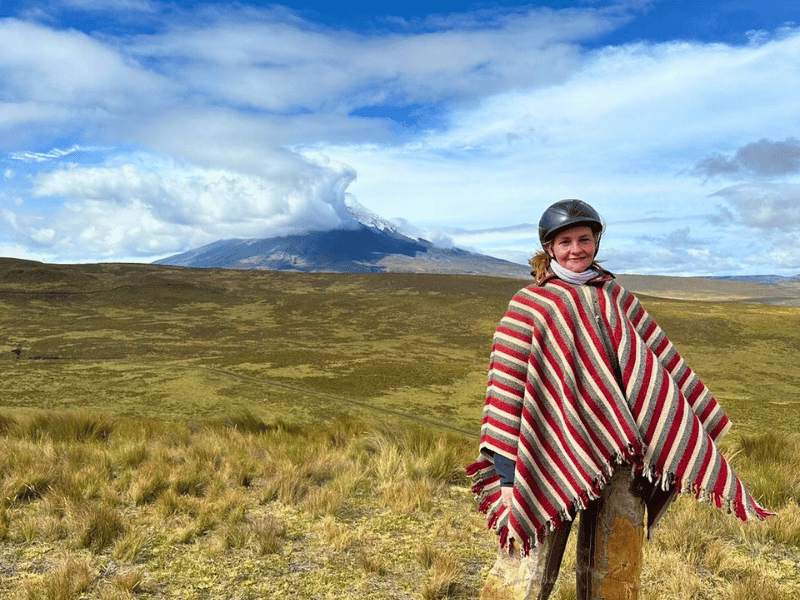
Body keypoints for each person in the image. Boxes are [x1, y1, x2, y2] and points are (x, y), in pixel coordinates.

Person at [467, 199, 772, 600]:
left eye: (585, 239)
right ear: (549, 247)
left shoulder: (615, 296)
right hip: (548, 453)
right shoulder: (531, 305)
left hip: (624, 455)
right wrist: (508, 475)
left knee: (615, 567)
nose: (576, 249)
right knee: (529, 566)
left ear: (596, 242)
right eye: (565, 242)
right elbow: (507, 390)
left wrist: (662, 440)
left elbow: (656, 370)